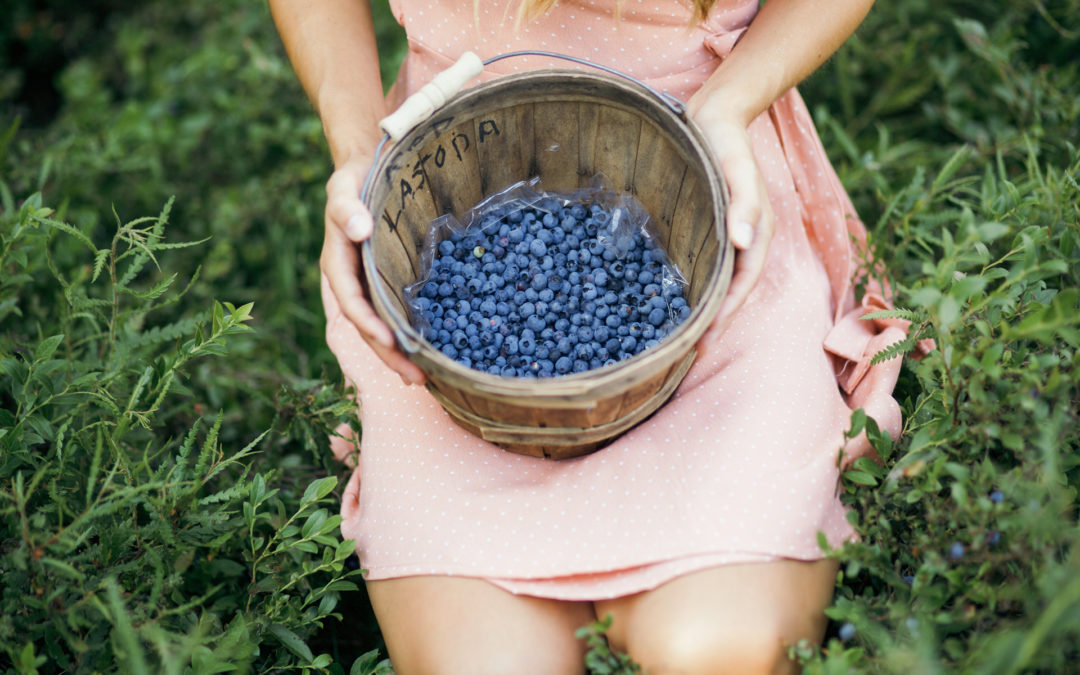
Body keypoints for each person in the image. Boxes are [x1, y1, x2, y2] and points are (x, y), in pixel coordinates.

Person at [269, 0, 914, 672]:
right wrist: (356, 153)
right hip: (453, 186)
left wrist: (730, 103)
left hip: (703, 208)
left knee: (719, 651)